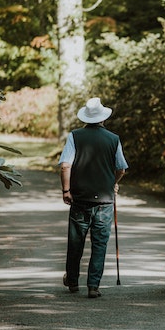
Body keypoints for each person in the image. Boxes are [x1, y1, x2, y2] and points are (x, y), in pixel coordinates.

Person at [59, 97, 128, 298]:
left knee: (76, 242)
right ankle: (93, 286)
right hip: (105, 202)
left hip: (80, 199)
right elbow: (121, 168)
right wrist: (112, 183)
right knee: (99, 244)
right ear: (103, 118)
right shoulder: (113, 139)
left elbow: (65, 165)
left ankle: (72, 281)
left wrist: (66, 190)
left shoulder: (75, 136)